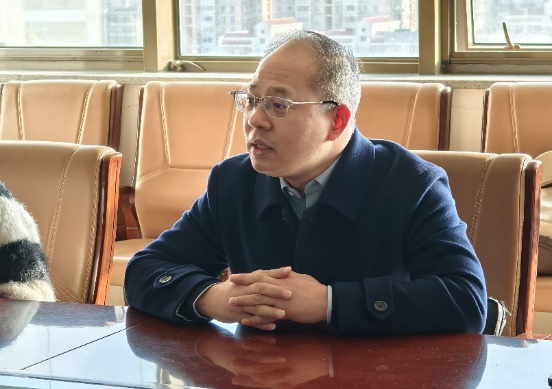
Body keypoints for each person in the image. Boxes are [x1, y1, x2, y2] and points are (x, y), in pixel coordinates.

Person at [125, 30, 487, 335]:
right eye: (252, 100)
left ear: (337, 121)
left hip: (373, 382)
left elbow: (466, 300)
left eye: (278, 105)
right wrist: (213, 297)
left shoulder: (413, 184)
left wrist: (329, 303)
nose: (255, 119)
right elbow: (145, 270)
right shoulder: (233, 181)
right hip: (259, 382)